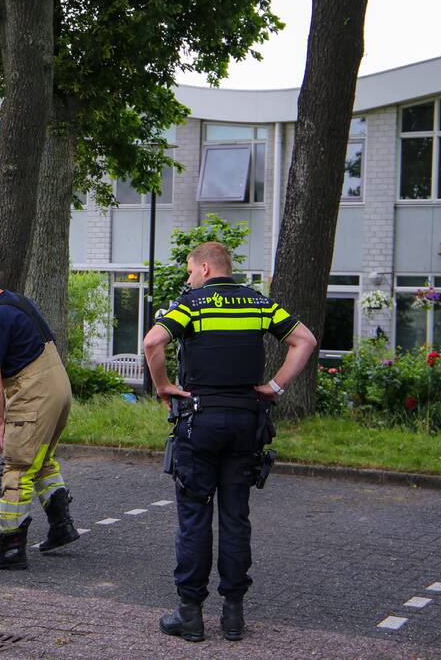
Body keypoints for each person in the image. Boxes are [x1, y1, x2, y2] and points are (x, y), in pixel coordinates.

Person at [142, 242, 316, 642]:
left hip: (199, 422)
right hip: (245, 423)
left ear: (205, 268)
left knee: (194, 517)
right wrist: (274, 386)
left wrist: (163, 386)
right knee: (236, 517)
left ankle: (190, 613)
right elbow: (304, 340)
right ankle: (233, 614)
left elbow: (153, 342)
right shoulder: (259, 303)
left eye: (190, 270)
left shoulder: (192, 305)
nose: (189, 278)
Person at [0, 264, 79, 570]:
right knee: (41, 460)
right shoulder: (19, 301)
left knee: (16, 468)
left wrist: (0, 423)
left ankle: (10, 548)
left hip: (35, 395)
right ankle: (61, 527)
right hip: (59, 389)